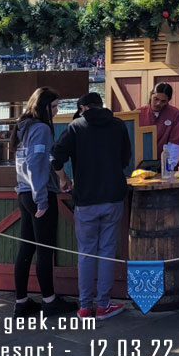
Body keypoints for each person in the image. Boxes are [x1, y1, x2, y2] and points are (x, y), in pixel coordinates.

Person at [51, 92, 132, 320]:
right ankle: (104, 304)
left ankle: (85, 306)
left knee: (86, 253)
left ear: (83, 107)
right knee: (106, 252)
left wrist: (63, 178)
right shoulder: (118, 125)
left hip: (86, 198)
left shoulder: (76, 127)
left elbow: (55, 156)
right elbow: (126, 158)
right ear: (101, 106)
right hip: (113, 195)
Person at [12, 87, 76, 317]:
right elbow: (36, 163)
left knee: (26, 247)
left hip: (23, 191)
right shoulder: (41, 129)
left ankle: (21, 301)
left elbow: (27, 162)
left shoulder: (24, 126)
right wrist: (42, 199)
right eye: (54, 107)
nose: (57, 111)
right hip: (38, 193)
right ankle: (49, 301)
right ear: (43, 107)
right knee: (45, 249)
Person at [140, 82, 179, 160]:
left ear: (168, 101)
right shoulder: (139, 113)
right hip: (141, 162)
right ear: (150, 96)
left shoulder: (174, 113)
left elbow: (175, 141)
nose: (158, 103)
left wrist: (170, 164)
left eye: (163, 101)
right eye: (156, 99)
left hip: (165, 161)